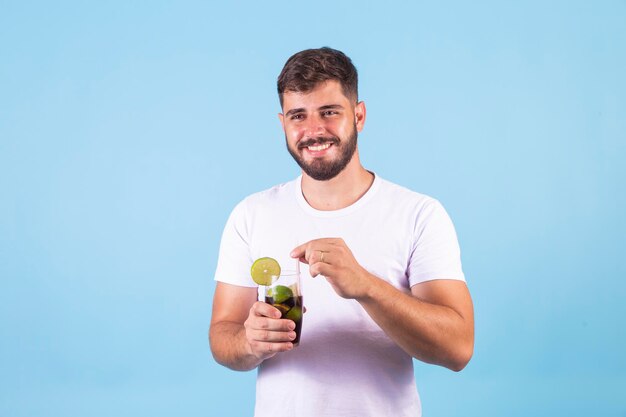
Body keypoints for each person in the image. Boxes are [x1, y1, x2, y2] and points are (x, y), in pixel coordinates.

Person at [209, 47, 474, 417]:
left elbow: (458, 348)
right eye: (298, 116)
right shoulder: (251, 214)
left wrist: (365, 286)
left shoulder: (419, 214)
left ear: (359, 115)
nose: (314, 131)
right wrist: (250, 342)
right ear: (282, 123)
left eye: (329, 112)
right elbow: (222, 336)